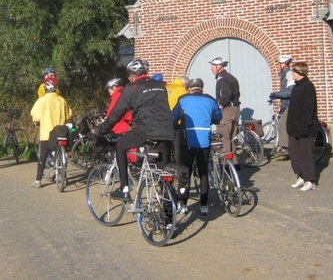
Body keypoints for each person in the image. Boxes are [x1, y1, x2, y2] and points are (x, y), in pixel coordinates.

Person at [98, 59, 175, 201]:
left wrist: (101, 129)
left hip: (145, 129)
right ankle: (169, 213)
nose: (129, 78)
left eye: (129, 75)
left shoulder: (131, 88)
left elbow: (116, 113)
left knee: (120, 146)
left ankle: (124, 189)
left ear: (133, 75)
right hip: (166, 130)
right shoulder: (160, 86)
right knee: (162, 170)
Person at [172, 78, 222, 216]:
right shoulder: (210, 100)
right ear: (202, 88)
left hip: (187, 142)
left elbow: (173, 117)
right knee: (203, 172)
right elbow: (218, 116)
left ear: (189, 89)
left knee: (185, 172)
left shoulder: (183, 99)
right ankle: (204, 205)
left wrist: (176, 124)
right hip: (204, 143)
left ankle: (183, 204)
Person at [30, 77, 72, 188]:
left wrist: (37, 122)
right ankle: (64, 177)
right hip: (61, 133)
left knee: (42, 157)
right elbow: (69, 114)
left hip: (47, 134)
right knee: (62, 154)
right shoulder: (62, 100)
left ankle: (38, 180)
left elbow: (35, 115)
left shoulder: (42, 100)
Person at [286, 62, 319, 192]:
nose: (292, 74)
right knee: (295, 153)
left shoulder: (307, 87)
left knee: (306, 155)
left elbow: (308, 109)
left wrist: (305, 127)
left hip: (305, 129)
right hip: (294, 128)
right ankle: (300, 176)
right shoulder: (296, 87)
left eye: (294, 72)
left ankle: (310, 179)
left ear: (300, 73)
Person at [209, 57, 241, 168]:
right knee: (230, 138)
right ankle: (234, 163)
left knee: (223, 137)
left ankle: (226, 164)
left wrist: (221, 105)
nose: (210, 69)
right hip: (236, 109)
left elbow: (227, 93)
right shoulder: (231, 77)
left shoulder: (222, 78)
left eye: (212, 66)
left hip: (228, 110)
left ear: (219, 67)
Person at [269, 55, 295, 160]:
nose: (278, 66)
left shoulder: (289, 74)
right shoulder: (284, 75)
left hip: (290, 104)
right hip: (286, 104)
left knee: (281, 123)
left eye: (279, 64)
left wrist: (276, 94)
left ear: (284, 64)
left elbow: (290, 92)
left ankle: (285, 147)